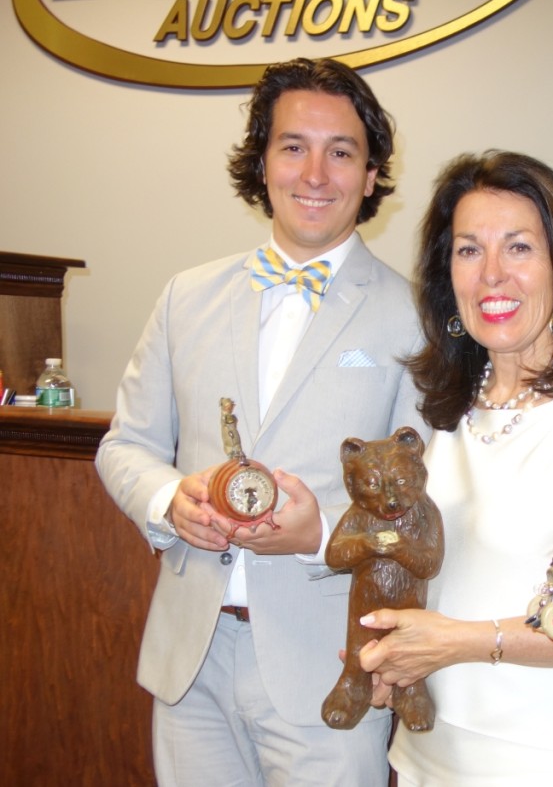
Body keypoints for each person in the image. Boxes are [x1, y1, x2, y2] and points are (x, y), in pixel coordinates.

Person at [95, 58, 424, 786]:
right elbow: (127, 445)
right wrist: (167, 500)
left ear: (370, 176)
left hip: (333, 668)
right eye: (292, 146)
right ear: (262, 161)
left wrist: (318, 535)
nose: (315, 172)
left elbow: (427, 504)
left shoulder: (417, 318)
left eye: (341, 151)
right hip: (192, 663)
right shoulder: (187, 296)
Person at [354, 150, 553, 786]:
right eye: (468, 251)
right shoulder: (442, 413)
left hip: (546, 758)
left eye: (518, 248)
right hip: (426, 748)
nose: (491, 274)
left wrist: (458, 641)